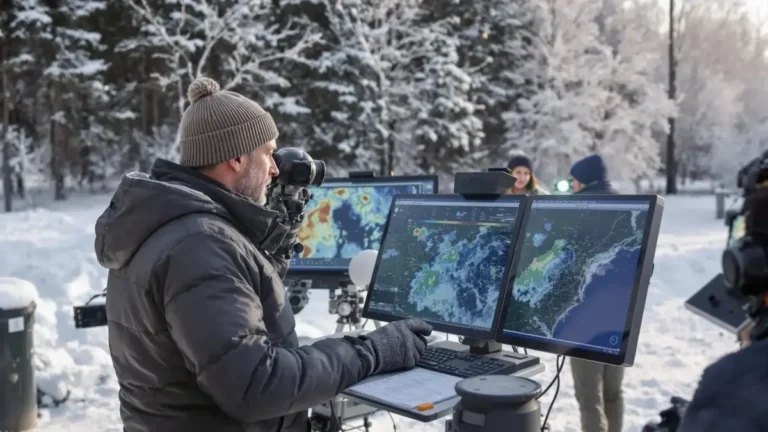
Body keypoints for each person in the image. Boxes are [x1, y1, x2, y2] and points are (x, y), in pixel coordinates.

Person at [94, 77, 433, 432]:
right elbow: (257, 385)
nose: (274, 169)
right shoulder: (201, 246)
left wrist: (270, 239)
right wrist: (374, 351)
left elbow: (231, 320)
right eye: (269, 153)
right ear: (237, 158)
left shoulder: (174, 225)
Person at [568, 153, 623, 432]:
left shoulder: (581, 208)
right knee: (613, 393)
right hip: (620, 314)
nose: (572, 186)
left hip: (585, 318)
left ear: (584, 181)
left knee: (590, 399)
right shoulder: (626, 206)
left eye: (574, 181)